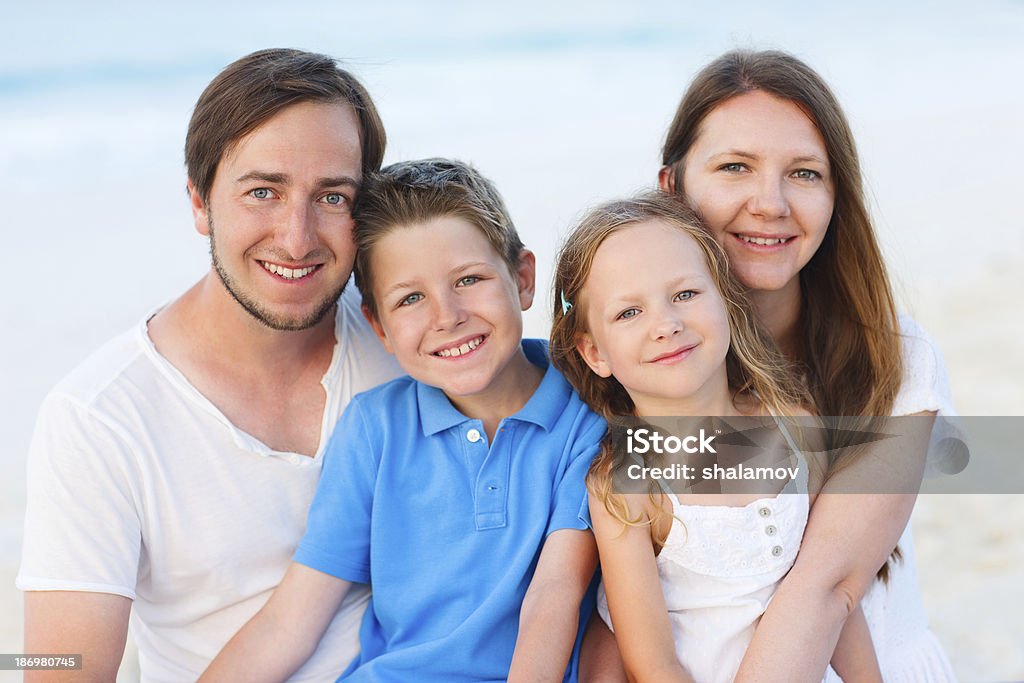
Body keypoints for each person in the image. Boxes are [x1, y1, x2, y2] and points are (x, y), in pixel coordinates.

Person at [18, 49, 402, 682]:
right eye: (262, 192)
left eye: (332, 197)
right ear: (200, 202)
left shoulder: (413, 343)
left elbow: (610, 431)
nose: (297, 237)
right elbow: (55, 665)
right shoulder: (99, 416)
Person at [582, 49, 957, 681]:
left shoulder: (896, 358)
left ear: (838, 193)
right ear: (671, 187)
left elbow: (827, 587)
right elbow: (608, 618)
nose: (771, 203)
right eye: (735, 167)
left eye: (806, 173)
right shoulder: (626, 366)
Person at [199, 158, 604, 682]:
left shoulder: (590, 413)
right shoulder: (375, 429)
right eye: (410, 298)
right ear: (380, 327)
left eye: (469, 279)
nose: (446, 316)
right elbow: (288, 623)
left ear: (523, 279)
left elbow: (554, 598)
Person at [549, 192, 883, 683]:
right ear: (595, 353)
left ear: (726, 301)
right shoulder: (627, 488)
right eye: (628, 313)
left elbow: (832, 591)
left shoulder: (795, 426)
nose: (666, 324)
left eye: (685, 294)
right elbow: (651, 662)